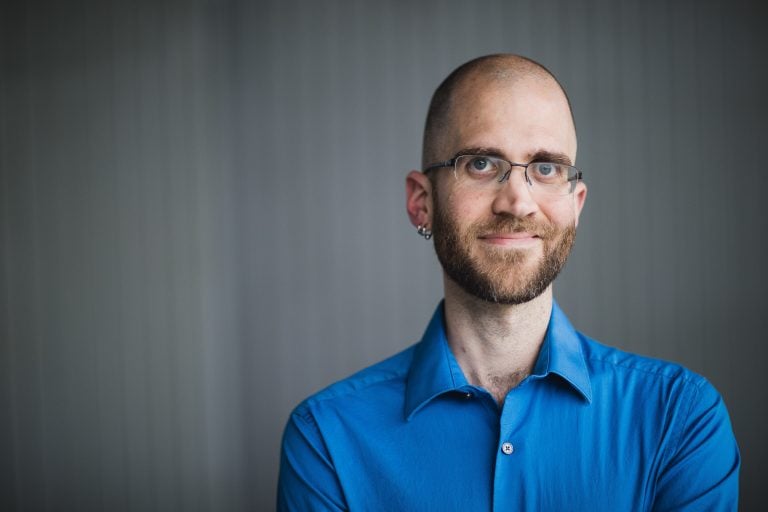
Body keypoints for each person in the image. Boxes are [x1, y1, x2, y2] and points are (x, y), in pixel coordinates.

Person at [277, 54, 740, 511]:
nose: (518, 203)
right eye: (481, 163)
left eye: (546, 168)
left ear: (576, 205)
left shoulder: (679, 418)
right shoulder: (327, 438)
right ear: (422, 202)